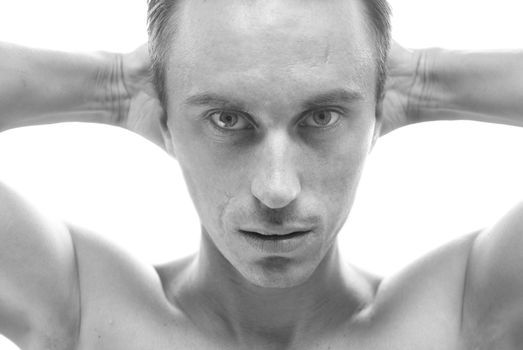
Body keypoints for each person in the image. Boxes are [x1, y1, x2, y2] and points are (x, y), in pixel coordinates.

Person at [1, 0, 523, 349]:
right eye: (227, 119)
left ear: (379, 112)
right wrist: (113, 84)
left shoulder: (458, 319)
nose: (277, 189)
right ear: (162, 117)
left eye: (321, 116)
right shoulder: (84, 308)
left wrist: (424, 79)